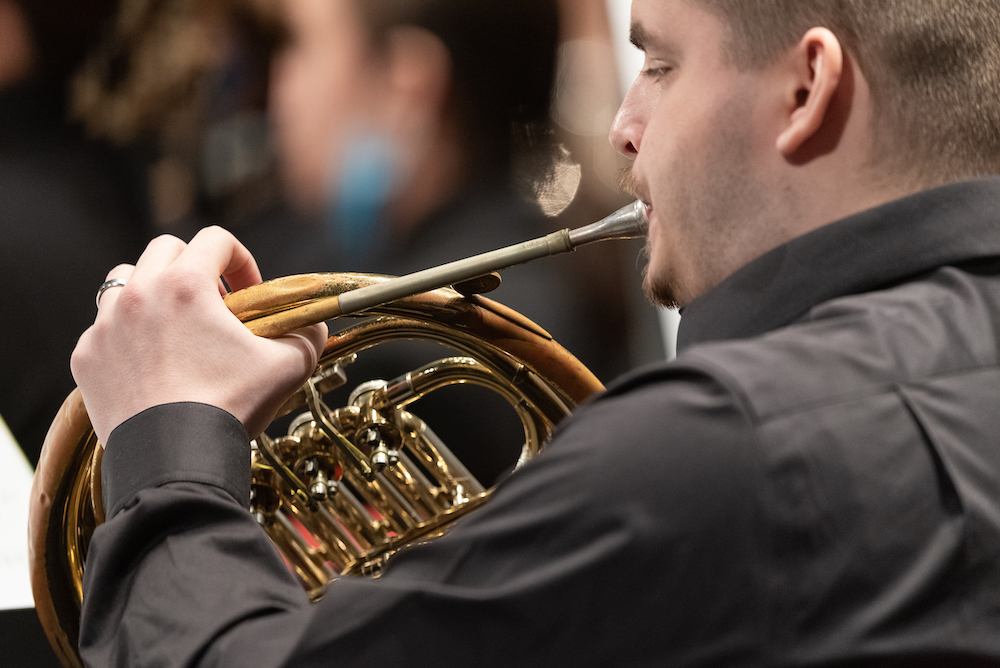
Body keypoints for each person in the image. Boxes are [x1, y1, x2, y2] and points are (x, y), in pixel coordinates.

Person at [68, 0, 1000, 665]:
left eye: (661, 65)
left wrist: (168, 437)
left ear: (806, 88)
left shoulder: (726, 448)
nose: (623, 128)